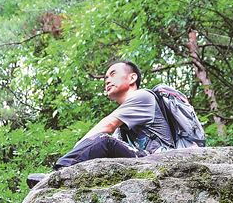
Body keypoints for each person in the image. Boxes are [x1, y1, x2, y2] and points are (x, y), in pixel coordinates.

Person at [27, 60, 173, 188]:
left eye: (113, 74)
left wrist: (80, 148)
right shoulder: (122, 128)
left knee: (103, 140)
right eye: (105, 78)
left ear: (132, 78)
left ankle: (58, 175)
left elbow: (106, 126)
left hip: (158, 161)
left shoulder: (143, 97)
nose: (107, 80)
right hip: (142, 163)